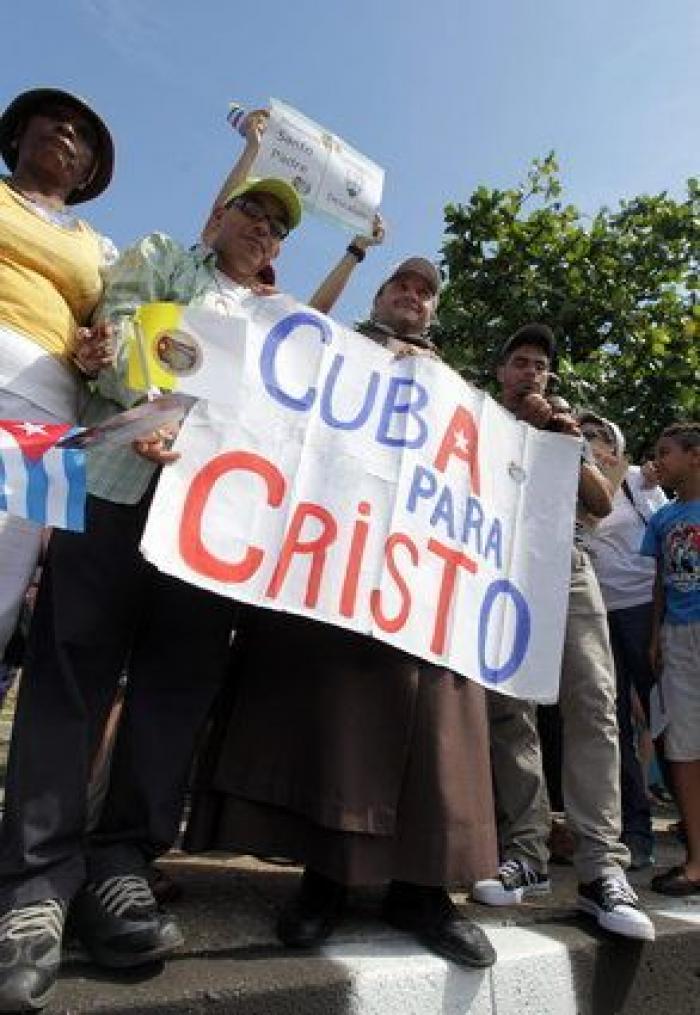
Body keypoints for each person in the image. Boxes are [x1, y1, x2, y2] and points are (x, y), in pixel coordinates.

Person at [0, 176, 303, 1012]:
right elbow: (120, 333)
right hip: (119, 485)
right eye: (255, 211)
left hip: (218, 522)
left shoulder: (291, 327)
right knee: (70, 674)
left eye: (279, 226)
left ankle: (121, 865)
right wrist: (146, 408)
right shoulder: (166, 258)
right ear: (222, 216)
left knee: (175, 691)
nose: (265, 230)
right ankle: (33, 887)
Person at [184, 257, 498, 971]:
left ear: (434, 312)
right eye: (400, 287)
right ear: (379, 299)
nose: (412, 297)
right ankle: (326, 878)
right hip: (344, 566)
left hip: (426, 582)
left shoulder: (463, 398)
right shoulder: (336, 355)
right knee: (340, 720)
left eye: (424, 291)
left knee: (437, 729)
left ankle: (422, 893)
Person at [471, 324, 655, 942]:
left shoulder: (566, 430)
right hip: (497, 565)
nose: (530, 372)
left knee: (595, 703)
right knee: (509, 709)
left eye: (540, 365)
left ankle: (602, 867)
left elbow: (601, 504)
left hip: (567, 564)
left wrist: (568, 441)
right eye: (519, 362)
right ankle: (526, 852)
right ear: (501, 373)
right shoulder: (474, 421)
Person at [0, 87, 115, 671]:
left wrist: (97, 346)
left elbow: (116, 322)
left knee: (2, 574)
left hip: (45, 410)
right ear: (18, 133)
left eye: (84, 134)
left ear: (89, 171)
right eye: (56, 120)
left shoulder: (98, 249)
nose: (68, 132)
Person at [578, 412, 667, 869]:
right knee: (611, 724)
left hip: (641, 610)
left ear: (614, 443)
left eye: (597, 435)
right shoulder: (571, 481)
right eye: (582, 435)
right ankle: (635, 831)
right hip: (594, 613)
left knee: (663, 715)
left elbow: (664, 534)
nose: (589, 441)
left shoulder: (636, 480)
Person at [642, 422, 700, 897]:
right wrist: (657, 635)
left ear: (695, 456)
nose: (658, 461)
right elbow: (660, 579)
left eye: (666, 453)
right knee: (682, 746)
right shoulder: (663, 518)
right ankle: (696, 861)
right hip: (677, 636)